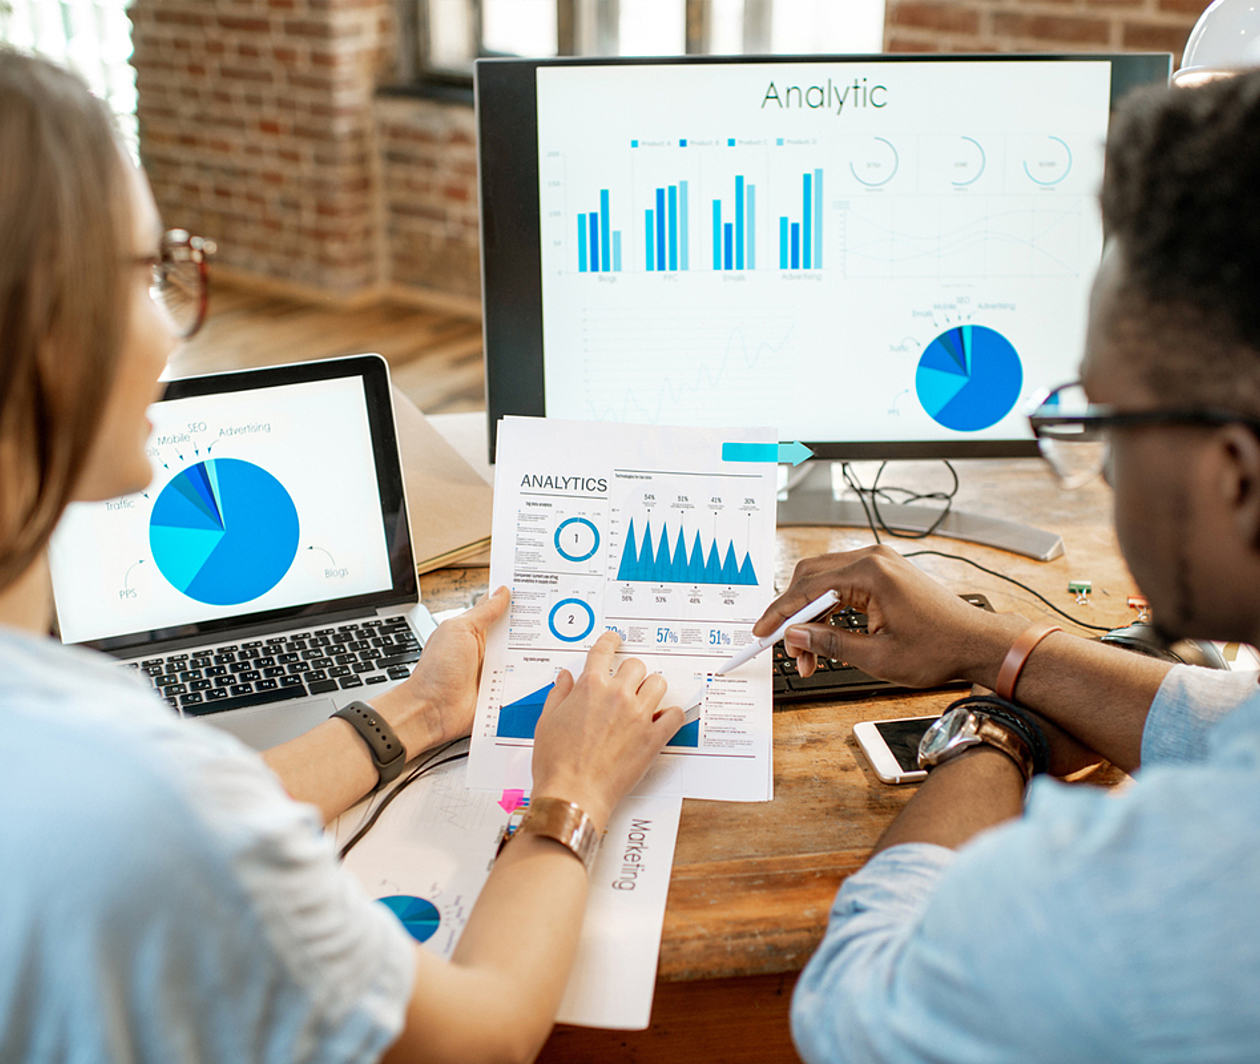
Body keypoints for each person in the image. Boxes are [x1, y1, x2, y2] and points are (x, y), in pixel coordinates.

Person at [0, 50, 683, 1063]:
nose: (172, 326)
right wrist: (573, 790)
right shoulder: (137, 791)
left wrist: (424, 706)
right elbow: (481, 1032)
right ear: (45, 327)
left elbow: (203, 817)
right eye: (151, 274)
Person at [754, 72, 1260, 1062]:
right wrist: (994, 645)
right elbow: (1232, 725)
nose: (1103, 462)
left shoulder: (1186, 886)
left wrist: (989, 730)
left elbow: (857, 1003)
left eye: (1111, 418)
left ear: (1233, 474)